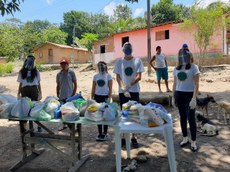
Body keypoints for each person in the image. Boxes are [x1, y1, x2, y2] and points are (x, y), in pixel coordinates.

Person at [113, 42, 145, 148]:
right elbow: (118, 77)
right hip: (123, 92)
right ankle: (123, 136)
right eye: (125, 48)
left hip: (134, 90)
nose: (127, 50)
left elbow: (139, 76)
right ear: (123, 50)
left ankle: (133, 136)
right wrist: (123, 87)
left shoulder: (137, 60)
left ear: (132, 49)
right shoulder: (119, 62)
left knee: (134, 113)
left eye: (129, 48)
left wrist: (129, 85)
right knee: (124, 112)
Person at [172, 46, 200, 152]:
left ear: (189, 57)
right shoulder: (176, 69)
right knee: (182, 117)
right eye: (181, 56)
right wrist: (173, 96)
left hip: (190, 95)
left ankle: (193, 141)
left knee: (191, 118)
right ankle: (185, 138)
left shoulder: (194, 67)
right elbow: (175, 83)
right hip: (179, 94)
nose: (183, 57)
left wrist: (194, 98)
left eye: (185, 55)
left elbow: (197, 84)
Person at [17, 55, 42, 132]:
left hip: (33, 89)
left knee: (36, 106)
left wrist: (40, 92)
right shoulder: (22, 71)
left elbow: (38, 83)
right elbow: (20, 84)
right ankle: (24, 126)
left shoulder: (36, 71)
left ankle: (39, 125)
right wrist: (18, 93)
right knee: (25, 108)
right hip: (25, 90)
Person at [91, 61, 113, 141]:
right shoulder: (95, 76)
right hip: (97, 97)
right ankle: (100, 132)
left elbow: (110, 88)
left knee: (105, 114)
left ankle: (105, 133)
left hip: (105, 97)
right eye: (99, 66)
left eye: (102, 66)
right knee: (99, 115)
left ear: (106, 67)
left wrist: (109, 98)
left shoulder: (109, 76)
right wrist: (92, 97)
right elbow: (93, 88)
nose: (101, 67)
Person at [56, 58, 77, 131]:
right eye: (62, 64)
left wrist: (73, 94)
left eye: (64, 64)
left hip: (70, 95)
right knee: (63, 111)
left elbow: (75, 84)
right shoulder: (59, 74)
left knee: (70, 111)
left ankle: (72, 127)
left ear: (67, 65)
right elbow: (58, 85)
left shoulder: (71, 73)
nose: (63, 65)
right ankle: (64, 124)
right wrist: (57, 94)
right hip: (62, 95)